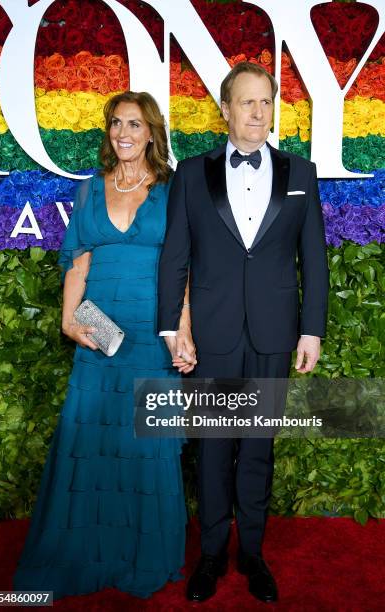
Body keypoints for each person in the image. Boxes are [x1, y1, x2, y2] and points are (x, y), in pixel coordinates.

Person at [13, 91, 196, 600]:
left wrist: (183, 329)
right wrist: (69, 319)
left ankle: (143, 555)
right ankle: (81, 554)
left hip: (151, 331)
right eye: (116, 123)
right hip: (99, 334)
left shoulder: (172, 190)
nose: (124, 133)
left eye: (134, 124)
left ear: (152, 133)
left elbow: (180, 270)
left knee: (146, 447)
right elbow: (78, 262)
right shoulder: (91, 190)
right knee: (91, 442)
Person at [158, 62, 329, 603]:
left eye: (266, 102)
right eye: (248, 102)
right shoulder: (191, 172)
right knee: (212, 449)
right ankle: (210, 556)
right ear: (225, 110)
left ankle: (252, 553)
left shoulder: (301, 172)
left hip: (275, 334)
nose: (259, 113)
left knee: (258, 448)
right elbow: (175, 257)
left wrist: (312, 331)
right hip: (212, 333)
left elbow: (314, 261)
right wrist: (171, 327)